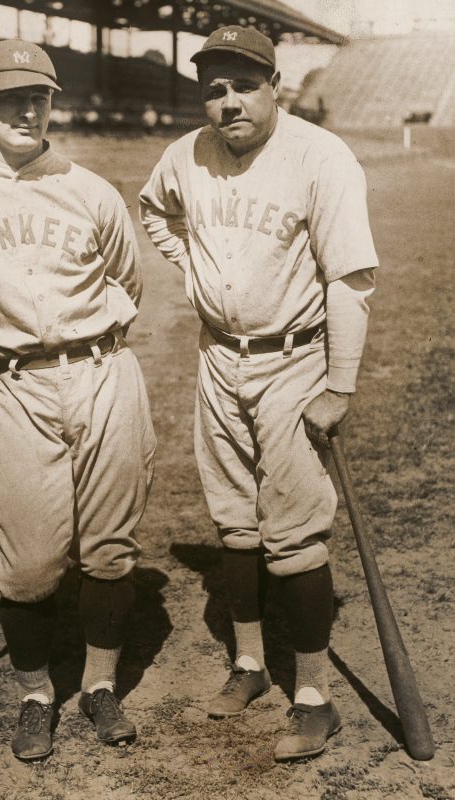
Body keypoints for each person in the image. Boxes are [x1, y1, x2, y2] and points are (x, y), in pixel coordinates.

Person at [0, 39, 156, 761]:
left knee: (109, 551)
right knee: (27, 567)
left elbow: (128, 283)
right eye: (11, 97)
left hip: (102, 372)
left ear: (52, 102)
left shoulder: (91, 189)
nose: (26, 111)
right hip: (9, 385)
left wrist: (90, 350)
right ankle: (37, 695)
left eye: (38, 97)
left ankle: (100, 687)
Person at [139, 25, 378, 761]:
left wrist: (338, 386)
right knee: (235, 522)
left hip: (293, 360)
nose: (229, 103)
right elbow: (154, 212)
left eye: (245, 86)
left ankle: (314, 699)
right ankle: (249, 664)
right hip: (218, 358)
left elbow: (350, 280)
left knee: (296, 532)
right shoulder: (185, 154)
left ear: (276, 86)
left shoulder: (321, 157)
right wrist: (193, 266)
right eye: (215, 90)